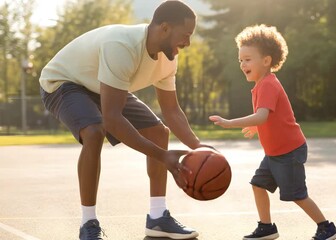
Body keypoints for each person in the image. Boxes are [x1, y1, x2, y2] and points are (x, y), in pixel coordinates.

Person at [39, 1, 210, 239]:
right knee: (95, 131)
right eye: (186, 35)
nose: (188, 43)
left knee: (159, 133)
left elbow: (171, 110)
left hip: (103, 84)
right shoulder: (122, 45)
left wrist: (199, 147)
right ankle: (88, 223)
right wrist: (162, 156)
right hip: (64, 82)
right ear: (164, 28)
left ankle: (158, 217)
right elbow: (112, 120)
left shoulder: (169, 57)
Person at [209, 24, 336, 240]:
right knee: (258, 185)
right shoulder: (262, 84)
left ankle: (326, 227)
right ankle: (266, 227)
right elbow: (266, 117)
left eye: (248, 59)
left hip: (288, 152)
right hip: (274, 153)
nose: (242, 64)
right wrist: (254, 125)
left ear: (267, 60)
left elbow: (262, 116)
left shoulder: (269, 84)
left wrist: (229, 122)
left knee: (297, 195)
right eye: (240, 60)